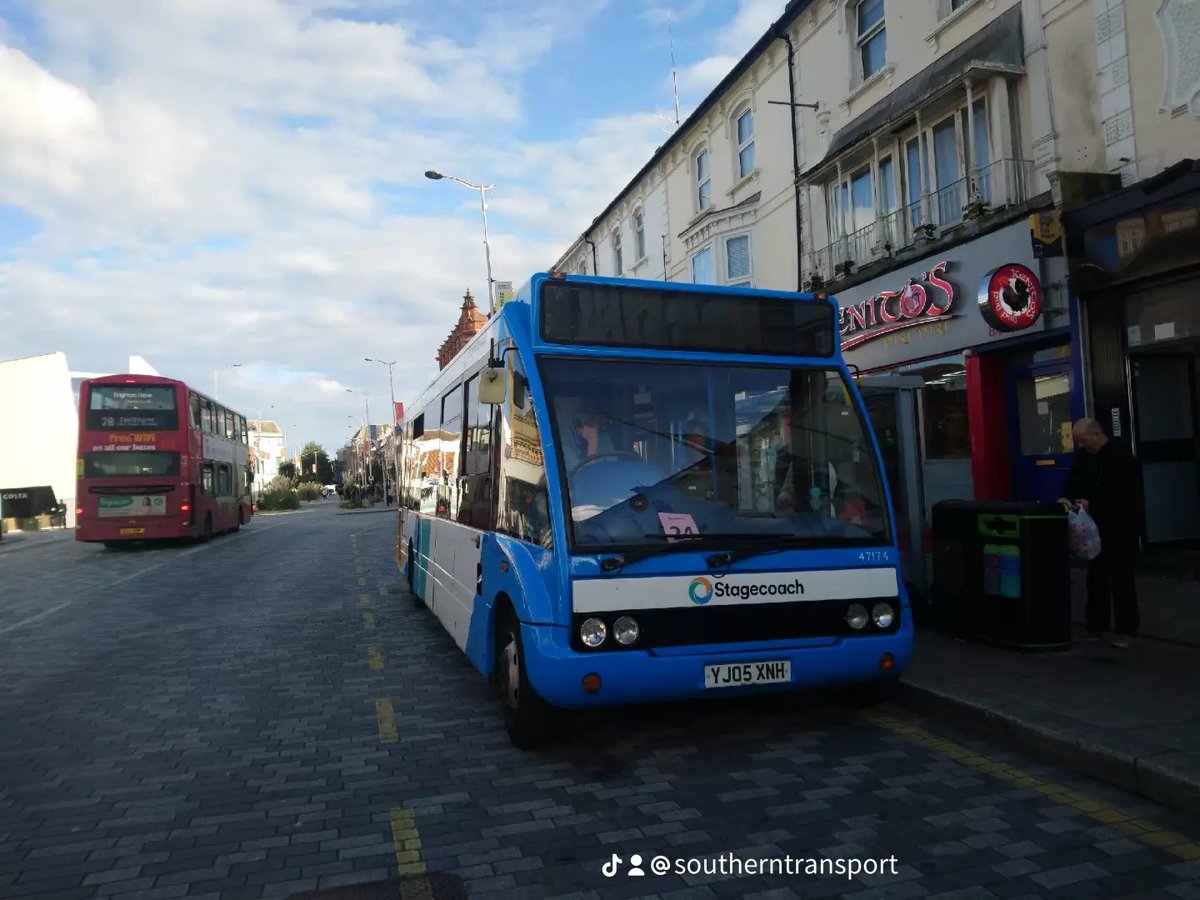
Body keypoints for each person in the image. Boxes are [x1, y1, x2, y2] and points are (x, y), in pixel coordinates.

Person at [1058, 417, 1143, 648]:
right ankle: (1095, 625)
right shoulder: (1085, 457)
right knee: (1095, 577)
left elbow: (1124, 493)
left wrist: (1092, 502)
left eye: (1084, 440)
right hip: (1094, 528)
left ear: (1097, 435)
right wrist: (1066, 496)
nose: (1082, 445)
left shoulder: (1120, 456)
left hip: (1120, 527)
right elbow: (1073, 480)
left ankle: (1127, 630)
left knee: (1121, 579)